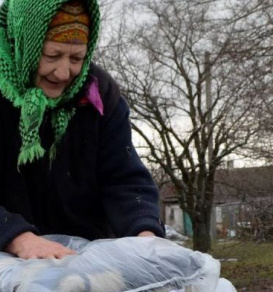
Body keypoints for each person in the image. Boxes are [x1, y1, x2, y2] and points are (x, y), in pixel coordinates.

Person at [0, 0, 165, 259]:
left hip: (81, 261)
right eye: (52, 56)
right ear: (23, 42)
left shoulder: (99, 95)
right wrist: (17, 238)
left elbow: (123, 178)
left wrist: (144, 233)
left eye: (76, 58)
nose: (64, 73)